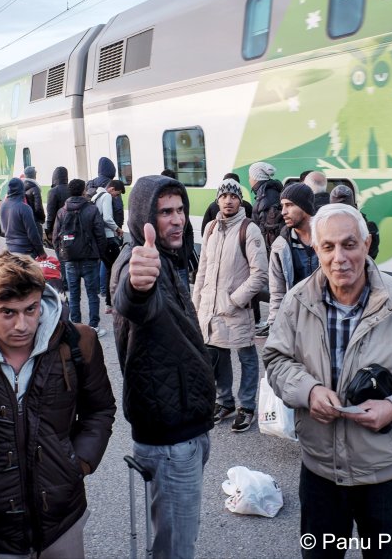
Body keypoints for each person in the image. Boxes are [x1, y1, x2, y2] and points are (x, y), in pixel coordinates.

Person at [263, 203, 392, 559]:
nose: (340, 257)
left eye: (349, 244)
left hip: (387, 477)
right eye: (329, 246)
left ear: (367, 245)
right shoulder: (296, 302)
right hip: (320, 474)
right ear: (315, 249)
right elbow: (276, 359)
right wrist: (308, 391)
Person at [0, 252, 116, 558]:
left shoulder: (77, 342)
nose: (22, 325)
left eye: (31, 309)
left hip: (62, 518)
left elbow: (100, 409)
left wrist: (78, 462)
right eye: (8, 313)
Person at [111, 175, 216, 559]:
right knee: (175, 549)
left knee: (177, 540)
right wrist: (138, 285)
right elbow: (133, 299)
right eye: (165, 212)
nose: (178, 220)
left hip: (185, 429)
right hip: (171, 440)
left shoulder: (171, 262)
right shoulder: (138, 261)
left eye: (181, 210)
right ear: (143, 218)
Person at [193, 178, 267, 432]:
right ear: (218, 200)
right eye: (224, 196)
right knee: (216, 356)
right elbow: (202, 269)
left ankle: (246, 407)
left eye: (234, 196)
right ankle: (224, 402)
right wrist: (196, 303)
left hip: (237, 309)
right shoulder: (211, 228)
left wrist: (235, 300)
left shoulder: (249, 229)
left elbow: (260, 275)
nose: (228, 200)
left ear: (240, 201)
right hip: (210, 309)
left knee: (246, 356)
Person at [263, 182, 318, 332]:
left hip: (326, 321)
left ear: (305, 207)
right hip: (296, 324)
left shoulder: (328, 241)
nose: (283, 212)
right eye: (282, 206)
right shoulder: (280, 247)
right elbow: (277, 293)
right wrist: (273, 325)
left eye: (289, 205)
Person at [54, 179, 107, 334]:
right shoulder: (91, 209)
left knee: (74, 294)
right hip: (89, 258)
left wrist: (62, 255)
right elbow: (100, 234)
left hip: (70, 259)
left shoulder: (62, 211)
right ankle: (93, 326)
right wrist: (99, 253)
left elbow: (56, 237)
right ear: (84, 190)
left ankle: (76, 325)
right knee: (92, 294)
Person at [92, 179, 124, 312]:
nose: (116, 197)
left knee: (109, 269)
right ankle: (112, 302)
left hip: (99, 239)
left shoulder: (95, 196)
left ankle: (109, 303)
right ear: (111, 189)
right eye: (117, 194)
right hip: (109, 239)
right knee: (117, 269)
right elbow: (107, 218)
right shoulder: (106, 196)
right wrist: (118, 229)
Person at [1, 178, 44, 259]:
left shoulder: (3, 205)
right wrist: (41, 251)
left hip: (10, 249)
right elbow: (32, 232)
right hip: (25, 251)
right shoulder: (24, 208)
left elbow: (4, 229)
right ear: (22, 189)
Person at [43, 166, 70, 241]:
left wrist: (49, 231)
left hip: (59, 228)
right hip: (73, 227)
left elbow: (51, 213)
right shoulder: (71, 188)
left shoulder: (53, 191)